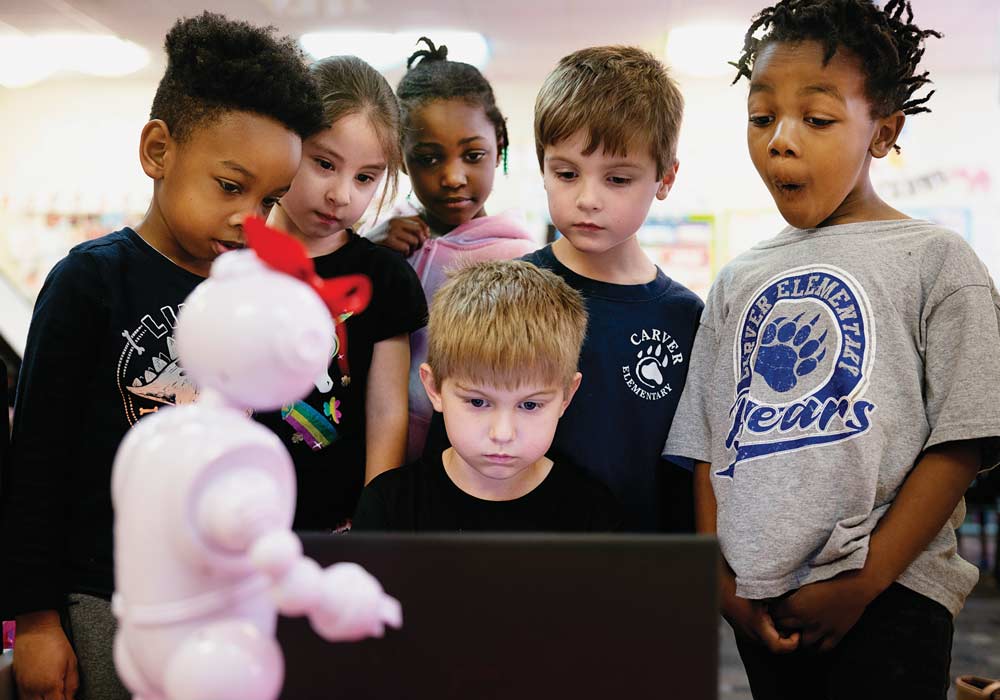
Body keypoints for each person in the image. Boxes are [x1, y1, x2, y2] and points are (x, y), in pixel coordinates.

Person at [663, 1, 1000, 698]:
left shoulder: (936, 260)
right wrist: (722, 583)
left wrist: (865, 582)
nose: (781, 141)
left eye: (816, 119)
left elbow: (962, 440)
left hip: (892, 594)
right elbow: (705, 443)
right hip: (761, 600)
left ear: (883, 131)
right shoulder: (738, 279)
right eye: (762, 119)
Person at [0, 13, 323, 700]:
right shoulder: (91, 281)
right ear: (158, 150)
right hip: (105, 593)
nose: (249, 219)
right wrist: (34, 619)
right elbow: (34, 459)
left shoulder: (256, 296)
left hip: (227, 600)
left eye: (267, 200)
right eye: (231, 188)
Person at [523, 45, 703, 532]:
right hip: (523, 569)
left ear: (665, 178)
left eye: (618, 178)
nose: (587, 199)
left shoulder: (688, 319)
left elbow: (689, 476)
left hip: (643, 576)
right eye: (565, 173)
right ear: (542, 167)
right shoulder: (507, 295)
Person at [261, 55, 427, 531]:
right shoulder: (230, 260)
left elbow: (387, 411)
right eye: (324, 163)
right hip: (233, 524)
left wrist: (374, 519)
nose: (341, 194)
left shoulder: (385, 278)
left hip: (339, 525)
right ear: (287, 142)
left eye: (365, 177)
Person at [364, 37, 537, 461]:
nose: (453, 177)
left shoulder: (522, 261)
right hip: (374, 459)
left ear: (500, 145)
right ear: (401, 159)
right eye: (428, 158)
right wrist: (369, 252)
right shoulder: (382, 242)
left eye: (473, 155)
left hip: (471, 465)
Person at [353, 260, 619, 532]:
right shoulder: (390, 505)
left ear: (566, 395)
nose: (502, 434)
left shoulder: (591, 514)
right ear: (434, 388)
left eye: (529, 405)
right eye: (478, 402)